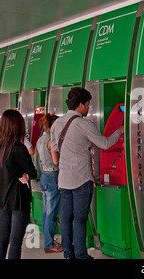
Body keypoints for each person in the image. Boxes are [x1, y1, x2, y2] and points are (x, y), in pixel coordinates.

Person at [50, 87, 123, 259]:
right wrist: (120, 130)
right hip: (81, 179)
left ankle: (69, 253)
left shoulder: (57, 123)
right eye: (88, 104)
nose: (89, 108)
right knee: (80, 219)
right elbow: (104, 144)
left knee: (67, 217)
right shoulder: (84, 124)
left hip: (64, 180)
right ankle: (82, 255)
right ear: (81, 104)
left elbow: (53, 148)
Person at [0, 109, 37, 259]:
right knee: (15, 241)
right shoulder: (19, 148)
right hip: (18, 199)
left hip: (2, 197)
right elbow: (33, 172)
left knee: (2, 239)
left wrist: (22, 173)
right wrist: (25, 174)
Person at [37, 112, 63, 253]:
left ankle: (49, 240)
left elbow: (37, 161)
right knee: (51, 214)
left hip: (44, 177)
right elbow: (56, 160)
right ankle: (48, 244)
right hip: (53, 176)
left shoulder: (40, 139)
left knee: (47, 212)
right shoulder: (51, 140)